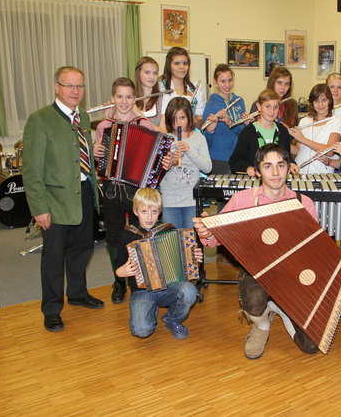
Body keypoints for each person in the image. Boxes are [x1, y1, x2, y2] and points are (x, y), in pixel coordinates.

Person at [195, 144, 324, 359]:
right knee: (253, 301)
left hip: (292, 275)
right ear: (257, 171)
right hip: (257, 272)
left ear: (289, 168)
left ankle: (279, 308)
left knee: (310, 346)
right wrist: (208, 232)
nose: (275, 173)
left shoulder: (304, 203)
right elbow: (215, 238)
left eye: (280, 165)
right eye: (268, 166)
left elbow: (312, 249)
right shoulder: (241, 200)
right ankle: (262, 325)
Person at [22, 66, 103, 332]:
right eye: (69, 86)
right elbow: (32, 170)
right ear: (57, 86)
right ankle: (52, 308)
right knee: (54, 257)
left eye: (80, 86)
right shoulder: (40, 119)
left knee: (82, 250)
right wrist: (39, 208)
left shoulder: (82, 118)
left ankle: (78, 294)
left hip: (84, 195)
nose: (75, 91)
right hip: (55, 202)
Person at [92, 77, 162, 304]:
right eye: (119, 96)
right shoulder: (103, 126)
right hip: (112, 188)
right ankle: (118, 281)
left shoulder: (144, 124)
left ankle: (139, 280)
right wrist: (97, 153)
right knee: (113, 238)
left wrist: (166, 158)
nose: (124, 101)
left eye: (128, 97)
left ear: (135, 98)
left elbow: (158, 153)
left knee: (137, 235)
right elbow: (99, 159)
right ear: (112, 98)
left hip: (136, 190)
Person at [114, 188, 201, 340]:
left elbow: (185, 264)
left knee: (190, 291)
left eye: (154, 212)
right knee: (141, 331)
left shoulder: (168, 230)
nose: (149, 217)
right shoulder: (127, 235)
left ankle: (172, 319)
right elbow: (118, 266)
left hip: (170, 286)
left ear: (159, 211)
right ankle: (149, 308)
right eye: (144, 211)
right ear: (135, 211)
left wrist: (193, 257)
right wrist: (121, 272)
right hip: (142, 290)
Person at [159, 97, 212, 229]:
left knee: (190, 242)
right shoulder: (165, 140)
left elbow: (207, 167)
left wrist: (189, 150)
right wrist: (170, 163)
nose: (178, 123)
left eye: (182, 117)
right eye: (174, 119)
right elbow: (156, 173)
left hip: (191, 199)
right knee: (172, 242)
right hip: (169, 199)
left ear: (189, 116)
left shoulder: (199, 138)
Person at [230, 89, 298, 176]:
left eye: (275, 107)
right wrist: (247, 168)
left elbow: (287, 157)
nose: (272, 111)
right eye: (268, 106)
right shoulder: (248, 132)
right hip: (256, 182)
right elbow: (235, 161)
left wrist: (291, 164)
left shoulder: (282, 131)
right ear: (259, 107)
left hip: (277, 179)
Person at [202, 64, 249, 175]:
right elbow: (206, 140)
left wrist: (242, 125)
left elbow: (242, 133)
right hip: (219, 160)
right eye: (222, 81)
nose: (227, 85)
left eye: (230, 80)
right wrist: (210, 130)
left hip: (238, 156)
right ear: (215, 82)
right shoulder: (211, 106)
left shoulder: (239, 101)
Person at [290, 83, 341, 174]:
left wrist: (302, 139)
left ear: (330, 101)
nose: (320, 104)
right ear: (311, 103)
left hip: (321, 174)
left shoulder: (336, 122)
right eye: (316, 101)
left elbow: (330, 151)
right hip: (299, 172)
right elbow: (299, 150)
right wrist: (280, 144)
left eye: (324, 100)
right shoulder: (304, 121)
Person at [159, 46, 206, 129]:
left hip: (190, 137)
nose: (182, 67)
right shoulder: (160, 88)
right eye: (177, 63)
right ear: (169, 65)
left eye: (185, 63)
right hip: (168, 137)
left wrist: (192, 119)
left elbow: (199, 125)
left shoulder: (195, 89)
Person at [134, 56, 164, 128]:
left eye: (155, 73)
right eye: (147, 72)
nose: (152, 77)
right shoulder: (128, 98)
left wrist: (136, 111)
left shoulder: (163, 99)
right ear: (138, 73)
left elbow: (163, 133)